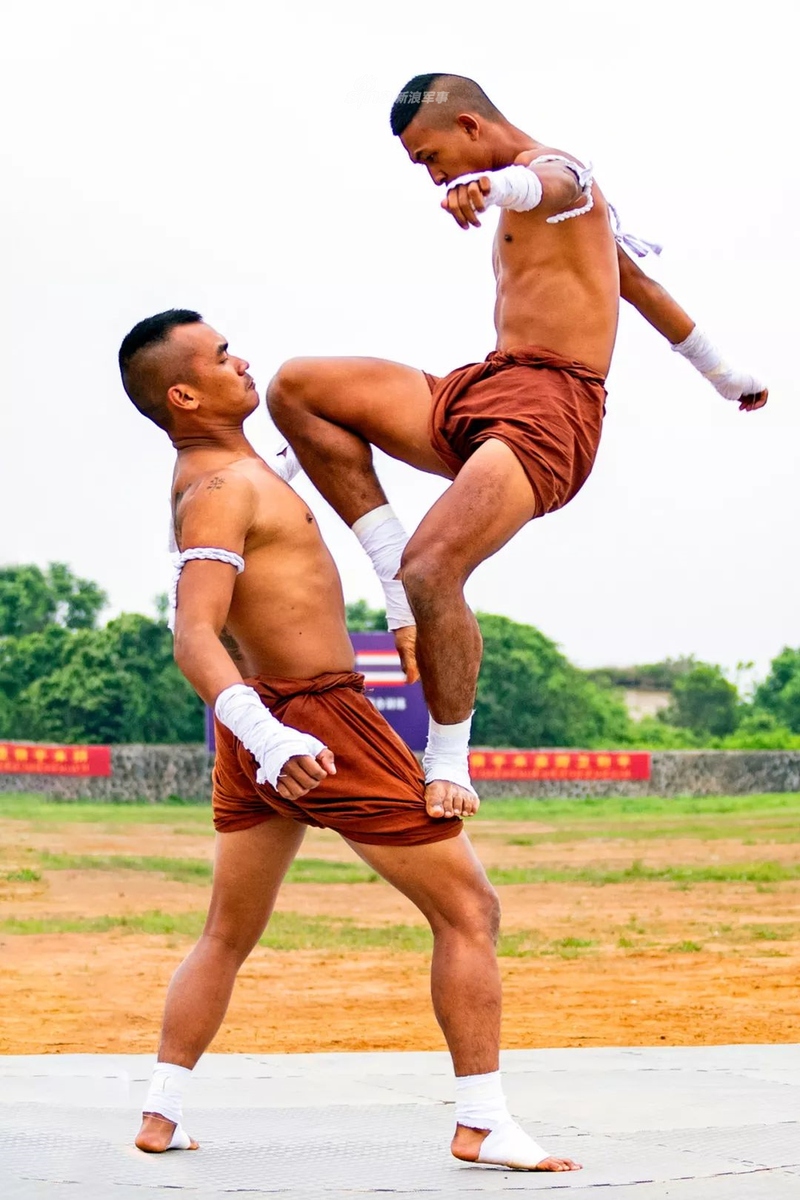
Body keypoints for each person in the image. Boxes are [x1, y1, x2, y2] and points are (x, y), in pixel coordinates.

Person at [117, 308, 578, 1173]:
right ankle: (481, 1118)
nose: (241, 359)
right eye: (222, 357)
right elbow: (192, 635)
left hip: (268, 732)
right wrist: (274, 735)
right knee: (470, 910)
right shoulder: (219, 492)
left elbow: (318, 458)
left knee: (226, 932)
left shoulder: (239, 470)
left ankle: (161, 1110)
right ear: (184, 393)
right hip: (311, 721)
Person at [267, 72, 768, 825]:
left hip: (551, 408)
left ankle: (448, 758)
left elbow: (556, 181)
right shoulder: (561, 217)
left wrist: (496, 188)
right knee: (297, 388)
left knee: (437, 569)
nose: (435, 178)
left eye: (432, 158)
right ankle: (389, 574)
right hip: (486, 385)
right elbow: (639, 286)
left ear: (471, 127)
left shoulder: (557, 177)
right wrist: (725, 374)